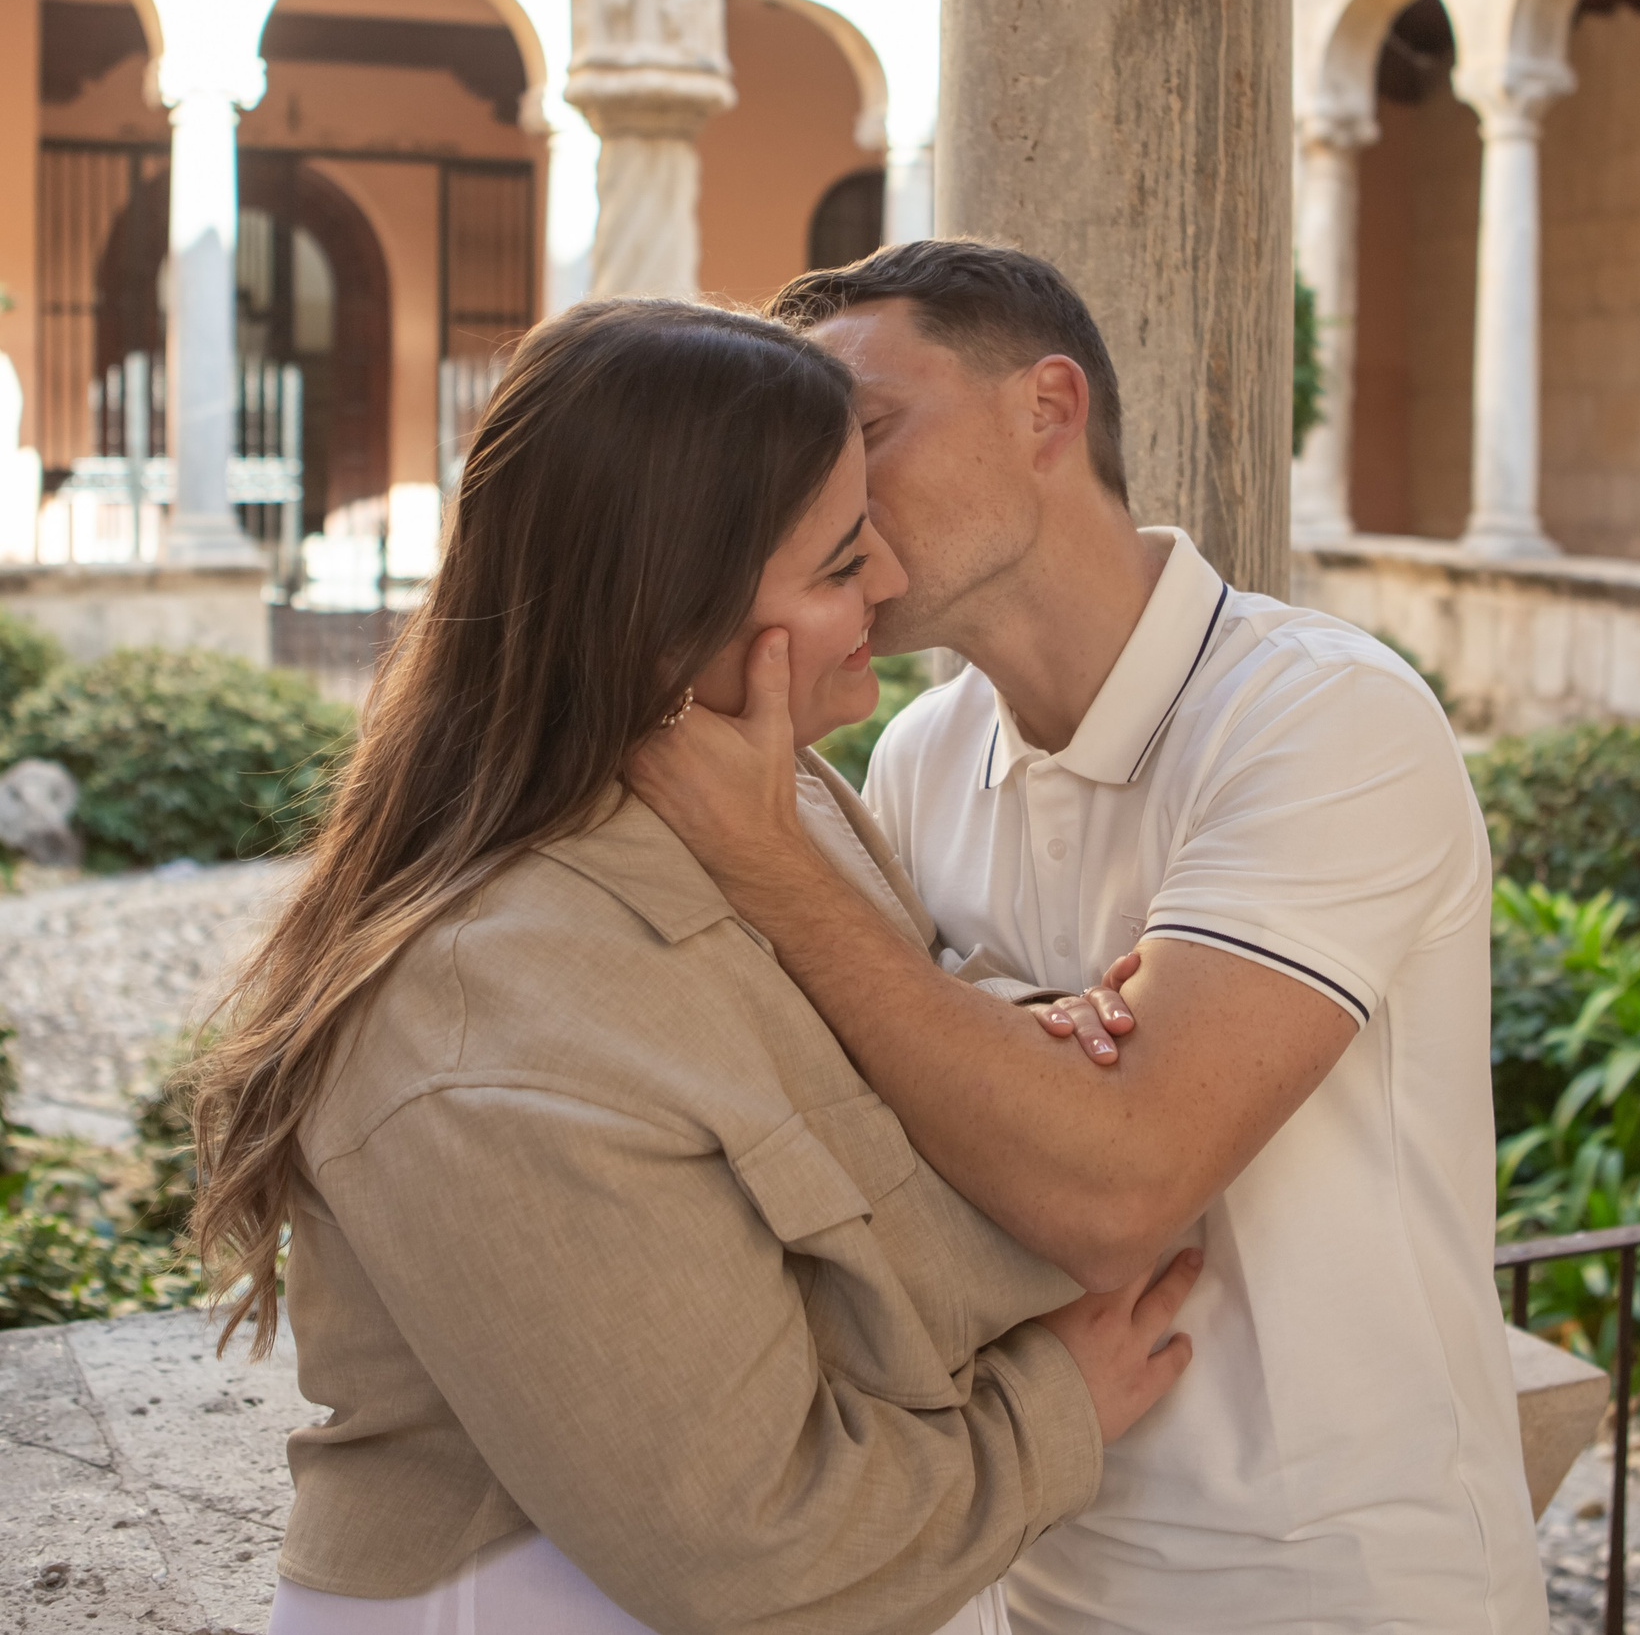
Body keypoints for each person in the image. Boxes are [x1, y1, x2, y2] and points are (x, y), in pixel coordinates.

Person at [183, 297, 1198, 1635]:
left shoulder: (783, 813)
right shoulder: (487, 1017)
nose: (889, 585)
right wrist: (1052, 1411)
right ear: (669, 609)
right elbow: (752, 1546)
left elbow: (856, 1143)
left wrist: (1017, 1045)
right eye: (840, 561)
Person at [628, 241, 1548, 1632]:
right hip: (1038, 1575)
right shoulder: (920, 761)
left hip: (1341, 1584)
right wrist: (1015, 1051)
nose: (831, 496)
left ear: (1046, 409)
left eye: (865, 432)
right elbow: (862, 1174)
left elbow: (1118, 1186)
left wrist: (776, 871)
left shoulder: (1321, 718)